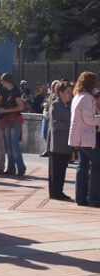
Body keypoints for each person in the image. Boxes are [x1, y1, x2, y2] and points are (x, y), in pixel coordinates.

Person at [68, 71, 100, 208]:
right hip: (86, 136)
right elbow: (89, 119)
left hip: (78, 137)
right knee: (97, 166)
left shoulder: (77, 96)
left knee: (82, 165)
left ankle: (80, 197)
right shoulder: (87, 97)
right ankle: (94, 198)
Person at [47, 81, 74, 201]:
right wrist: (71, 127)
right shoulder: (56, 105)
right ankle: (55, 192)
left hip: (64, 143)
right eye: (67, 92)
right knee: (56, 169)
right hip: (57, 142)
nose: (70, 94)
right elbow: (55, 123)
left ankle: (59, 191)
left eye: (70, 92)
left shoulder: (67, 106)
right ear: (61, 93)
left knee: (62, 168)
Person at [0, 73, 26, 176]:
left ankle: (21, 168)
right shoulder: (5, 91)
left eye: (2, 81)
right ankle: (11, 168)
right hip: (7, 120)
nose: (1, 83)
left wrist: (5, 110)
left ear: (6, 81)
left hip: (14, 120)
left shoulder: (16, 91)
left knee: (14, 145)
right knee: (8, 146)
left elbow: (20, 106)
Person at [39, 80, 59, 157]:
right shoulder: (48, 95)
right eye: (52, 86)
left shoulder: (59, 96)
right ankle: (47, 150)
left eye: (54, 86)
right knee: (45, 134)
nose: (52, 88)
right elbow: (41, 105)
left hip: (54, 117)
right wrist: (44, 104)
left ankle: (53, 150)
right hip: (46, 116)